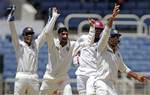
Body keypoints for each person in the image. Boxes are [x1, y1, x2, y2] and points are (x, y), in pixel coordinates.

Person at [86, 4, 148, 95]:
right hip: (100, 82)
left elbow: (124, 69)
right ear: (109, 38)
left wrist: (137, 77)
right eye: (114, 36)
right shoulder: (101, 47)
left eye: (117, 37)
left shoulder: (117, 53)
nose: (116, 38)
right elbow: (106, 31)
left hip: (112, 85)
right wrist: (113, 17)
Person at [40, 9, 97, 95]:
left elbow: (88, 43)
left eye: (66, 34)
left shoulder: (72, 45)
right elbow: (47, 32)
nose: (65, 36)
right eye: (63, 34)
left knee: (68, 92)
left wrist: (92, 28)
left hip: (63, 79)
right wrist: (54, 17)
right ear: (58, 35)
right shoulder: (53, 43)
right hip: (49, 78)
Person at [7, 5, 59, 95]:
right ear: (23, 35)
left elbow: (44, 34)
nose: (29, 35)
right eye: (27, 33)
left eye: (31, 33)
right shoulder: (19, 45)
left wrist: (51, 20)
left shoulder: (36, 44)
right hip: (21, 75)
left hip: (33, 76)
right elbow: (14, 34)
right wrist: (11, 20)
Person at [73, 20, 105, 95]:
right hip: (81, 73)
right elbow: (76, 50)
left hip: (93, 73)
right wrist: (76, 60)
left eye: (99, 30)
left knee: (90, 93)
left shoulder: (102, 43)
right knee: (81, 93)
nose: (97, 31)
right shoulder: (83, 38)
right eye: (96, 29)